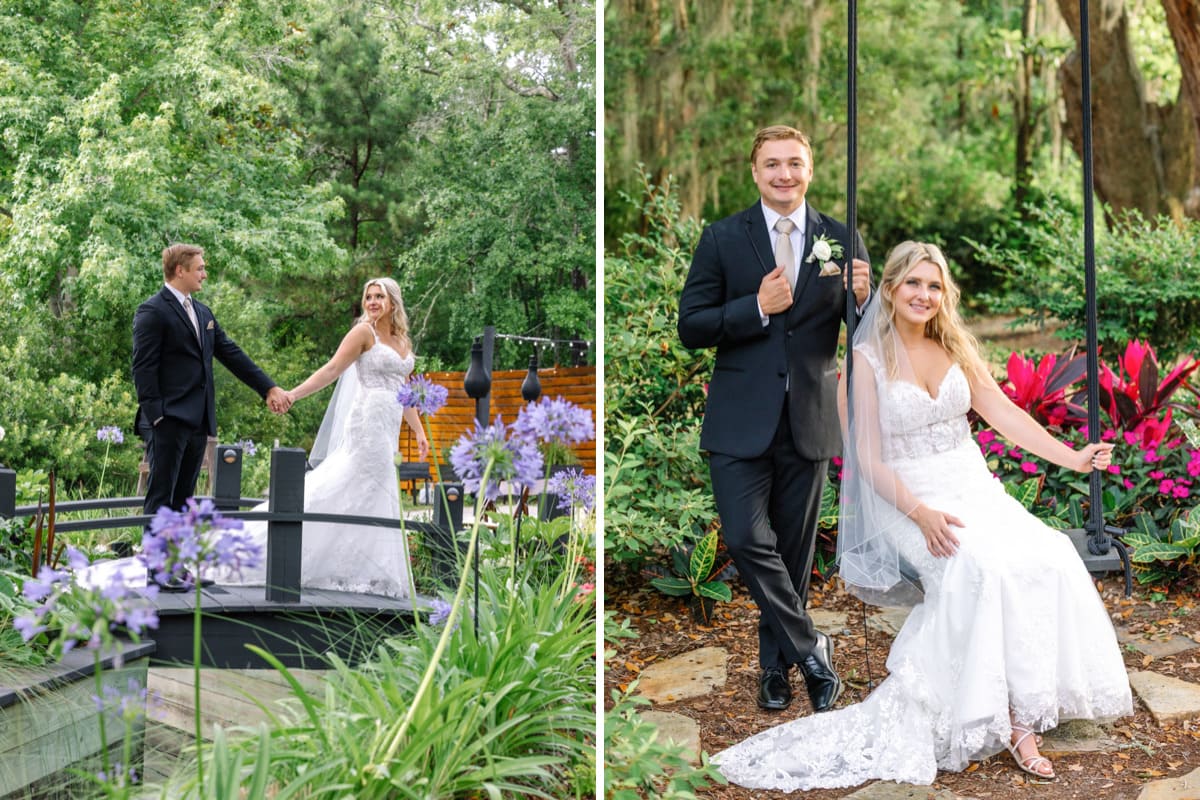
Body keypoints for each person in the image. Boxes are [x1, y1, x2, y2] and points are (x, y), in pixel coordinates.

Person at [713, 241, 1133, 790]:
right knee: (979, 570)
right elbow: (867, 460)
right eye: (913, 283)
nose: (924, 295)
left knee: (1050, 553)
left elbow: (1003, 413)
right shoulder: (866, 361)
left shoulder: (955, 344)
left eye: (934, 286)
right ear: (889, 289)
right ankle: (1007, 721)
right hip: (906, 502)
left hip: (973, 489)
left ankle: (1023, 704)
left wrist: (1072, 456)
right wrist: (921, 513)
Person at [678, 125, 872, 713]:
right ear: (754, 172)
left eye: (794, 163)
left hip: (809, 418)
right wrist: (754, 308)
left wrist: (864, 301)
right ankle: (813, 647)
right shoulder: (722, 239)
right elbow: (692, 326)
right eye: (772, 165)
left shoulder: (842, 239)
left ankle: (777, 670)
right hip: (739, 421)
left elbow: (865, 339)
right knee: (745, 538)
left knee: (793, 555)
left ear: (809, 169)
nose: (784, 174)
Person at [225, 277, 429, 598]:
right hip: (366, 424)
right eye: (368, 297)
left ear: (393, 302)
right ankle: (272, 548)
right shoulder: (363, 333)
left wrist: (418, 431)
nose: (372, 302)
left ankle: (369, 572)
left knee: (376, 489)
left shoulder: (402, 341)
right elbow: (332, 369)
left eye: (379, 296)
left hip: (389, 426)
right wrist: (293, 394)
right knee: (358, 483)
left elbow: (405, 392)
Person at [132, 243, 291, 590]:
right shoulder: (152, 311)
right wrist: (157, 417)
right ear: (180, 271)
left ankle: (177, 567)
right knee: (161, 497)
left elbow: (231, 353)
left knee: (184, 500)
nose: (205, 273)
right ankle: (156, 572)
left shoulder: (203, 313)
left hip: (198, 421)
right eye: (200, 268)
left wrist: (268, 388)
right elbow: (142, 369)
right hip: (167, 422)